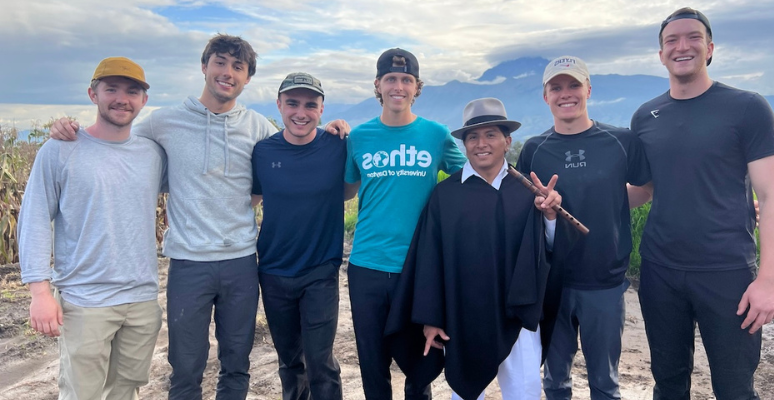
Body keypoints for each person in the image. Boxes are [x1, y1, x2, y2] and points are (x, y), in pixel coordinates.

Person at [48, 35, 350, 400]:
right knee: (186, 367)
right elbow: (114, 135)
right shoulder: (165, 122)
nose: (228, 72)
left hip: (241, 262)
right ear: (204, 66)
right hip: (188, 263)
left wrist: (333, 130)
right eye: (220, 62)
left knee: (237, 364)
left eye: (238, 67)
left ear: (248, 78)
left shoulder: (257, 127)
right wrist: (69, 129)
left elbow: (294, 148)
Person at [629, 7, 774, 399]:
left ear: (710, 48)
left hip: (728, 272)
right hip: (659, 270)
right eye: (671, 40)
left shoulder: (748, 108)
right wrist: (575, 202)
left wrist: (768, 281)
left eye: (693, 37)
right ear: (661, 54)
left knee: (734, 387)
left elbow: (771, 198)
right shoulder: (645, 116)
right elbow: (643, 189)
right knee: (668, 383)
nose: (682, 46)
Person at [386, 97, 568, 400]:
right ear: (464, 144)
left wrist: (550, 217)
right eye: (472, 136)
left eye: (491, 134)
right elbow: (430, 260)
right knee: (467, 394)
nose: (481, 143)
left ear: (507, 141)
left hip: (517, 318)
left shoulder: (529, 195)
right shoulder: (445, 196)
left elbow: (546, 253)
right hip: (463, 317)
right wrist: (431, 318)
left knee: (524, 392)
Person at [18, 56, 167, 399]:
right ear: (92, 94)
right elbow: (35, 219)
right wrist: (39, 293)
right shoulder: (59, 150)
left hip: (142, 299)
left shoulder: (153, 154)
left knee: (125, 391)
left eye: (132, 91)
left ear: (144, 100)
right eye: (110, 88)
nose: (121, 98)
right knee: (81, 393)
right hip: (85, 300)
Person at [516, 56, 650, 399]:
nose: (566, 94)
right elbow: (523, 210)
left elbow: (646, 188)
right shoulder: (534, 149)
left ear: (588, 89)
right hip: (552, 282)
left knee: (605, 382)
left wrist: (611, 203)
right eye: (556, 88)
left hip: (605, 280)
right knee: (554, 380)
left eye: (574, 85)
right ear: (545, 97)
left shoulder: (620, 140)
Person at [344, 48, 466, 400]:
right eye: (391, 79)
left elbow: (471, 179)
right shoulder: (360, 137)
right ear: (378, 85)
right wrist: (328, 137)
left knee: (419, 365)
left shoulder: (436, 134)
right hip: (366, 263)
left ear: (417, 87)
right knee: (372, 361)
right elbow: (346, 190)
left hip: (417, 266)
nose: (399, 86)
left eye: (406, 80)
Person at [251, 72, 354, 400]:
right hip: (274, 270)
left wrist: (344, 129)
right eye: (292, 103)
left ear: (322, 109)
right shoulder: (263, 152)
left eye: (311, 104)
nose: (301, 112)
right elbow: (249, 200)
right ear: (279, 105)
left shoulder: (337, 146)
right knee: (290, 361)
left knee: (320, 361)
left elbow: (348, 191)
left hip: (320, 272)